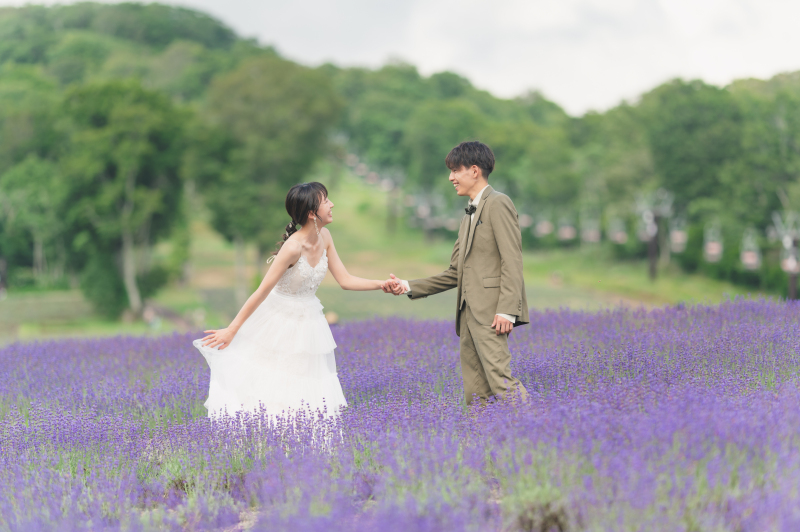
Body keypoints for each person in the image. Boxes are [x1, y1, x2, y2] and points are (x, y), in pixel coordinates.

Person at [194, 182, 391, 418]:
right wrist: (232, 330)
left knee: (307, 387)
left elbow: (345, 280)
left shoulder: (325, 236)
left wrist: (381, 284)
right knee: (275, 387)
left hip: (309, 321)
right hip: (278, 321)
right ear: (311, 213)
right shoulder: (293, 247)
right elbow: (261, 291)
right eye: (326, 201)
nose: (332, 204)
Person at [384, 141, 529, 405]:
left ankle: (537, 433)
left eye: (455, 170)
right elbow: (455, 273)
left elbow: (512, 259)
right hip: (467, 315)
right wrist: (407, 286)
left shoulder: (499, 203)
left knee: (502, 383)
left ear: (474, 170)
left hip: (492, 314)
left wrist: (508, 309)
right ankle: (482, 443)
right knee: (475, 393)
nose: (450, 177)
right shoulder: (468, 216)